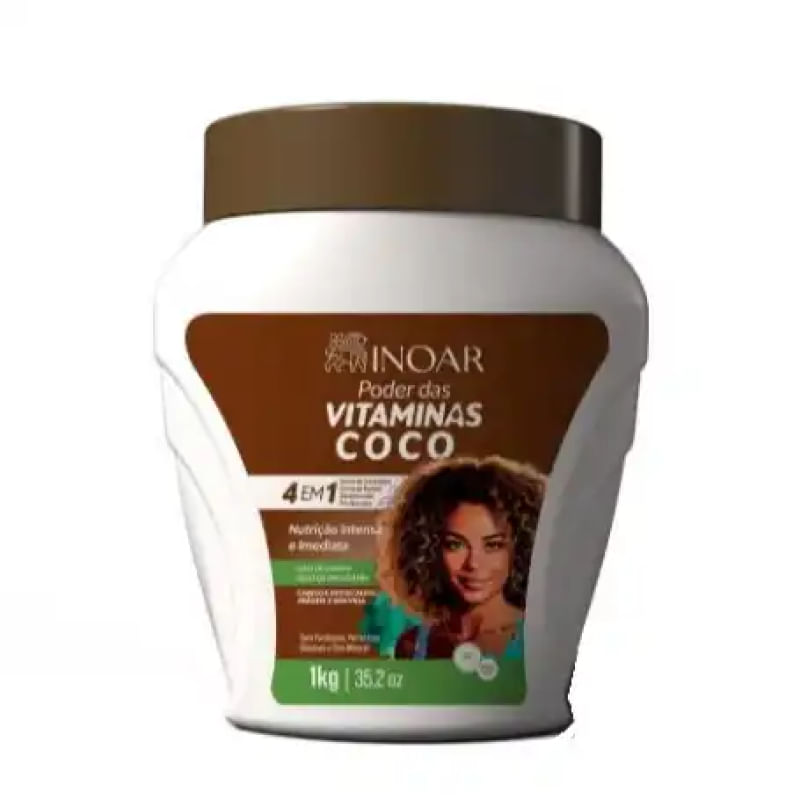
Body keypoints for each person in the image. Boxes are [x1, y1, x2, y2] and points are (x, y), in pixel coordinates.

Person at [376, 455, 546, 660]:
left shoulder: (541, 636)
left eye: (493, 545)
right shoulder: (412, 645)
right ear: (428, 551)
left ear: (520, 548)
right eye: (455, 545)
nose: (473, 564)